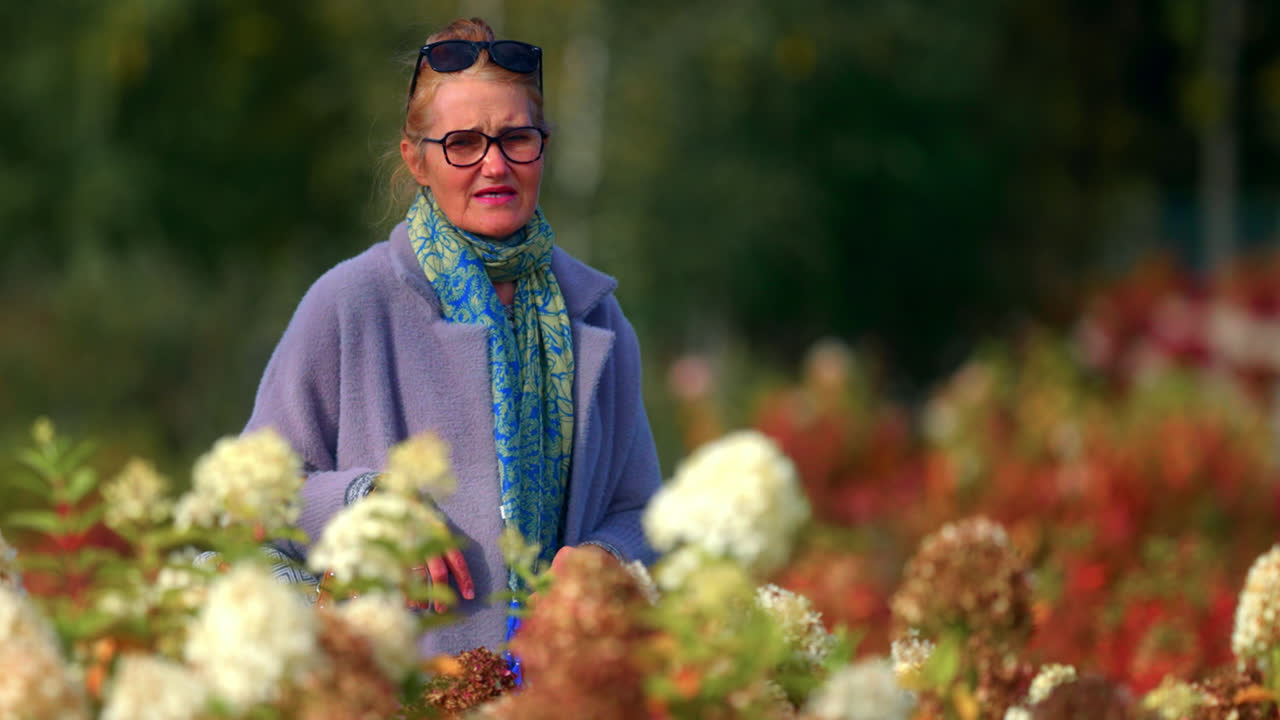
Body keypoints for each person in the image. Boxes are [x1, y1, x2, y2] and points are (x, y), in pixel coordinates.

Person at [244, 17, 661, 658]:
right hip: (390, 692)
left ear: (543, 146)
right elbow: (249, 498)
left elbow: (643, 513)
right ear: (416, 159)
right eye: (462, 143)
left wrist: (606, 558)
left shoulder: (598, 318)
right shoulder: (350, 303)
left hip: (556, 692)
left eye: (516, 137)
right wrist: (369, 508)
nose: (494, 164)